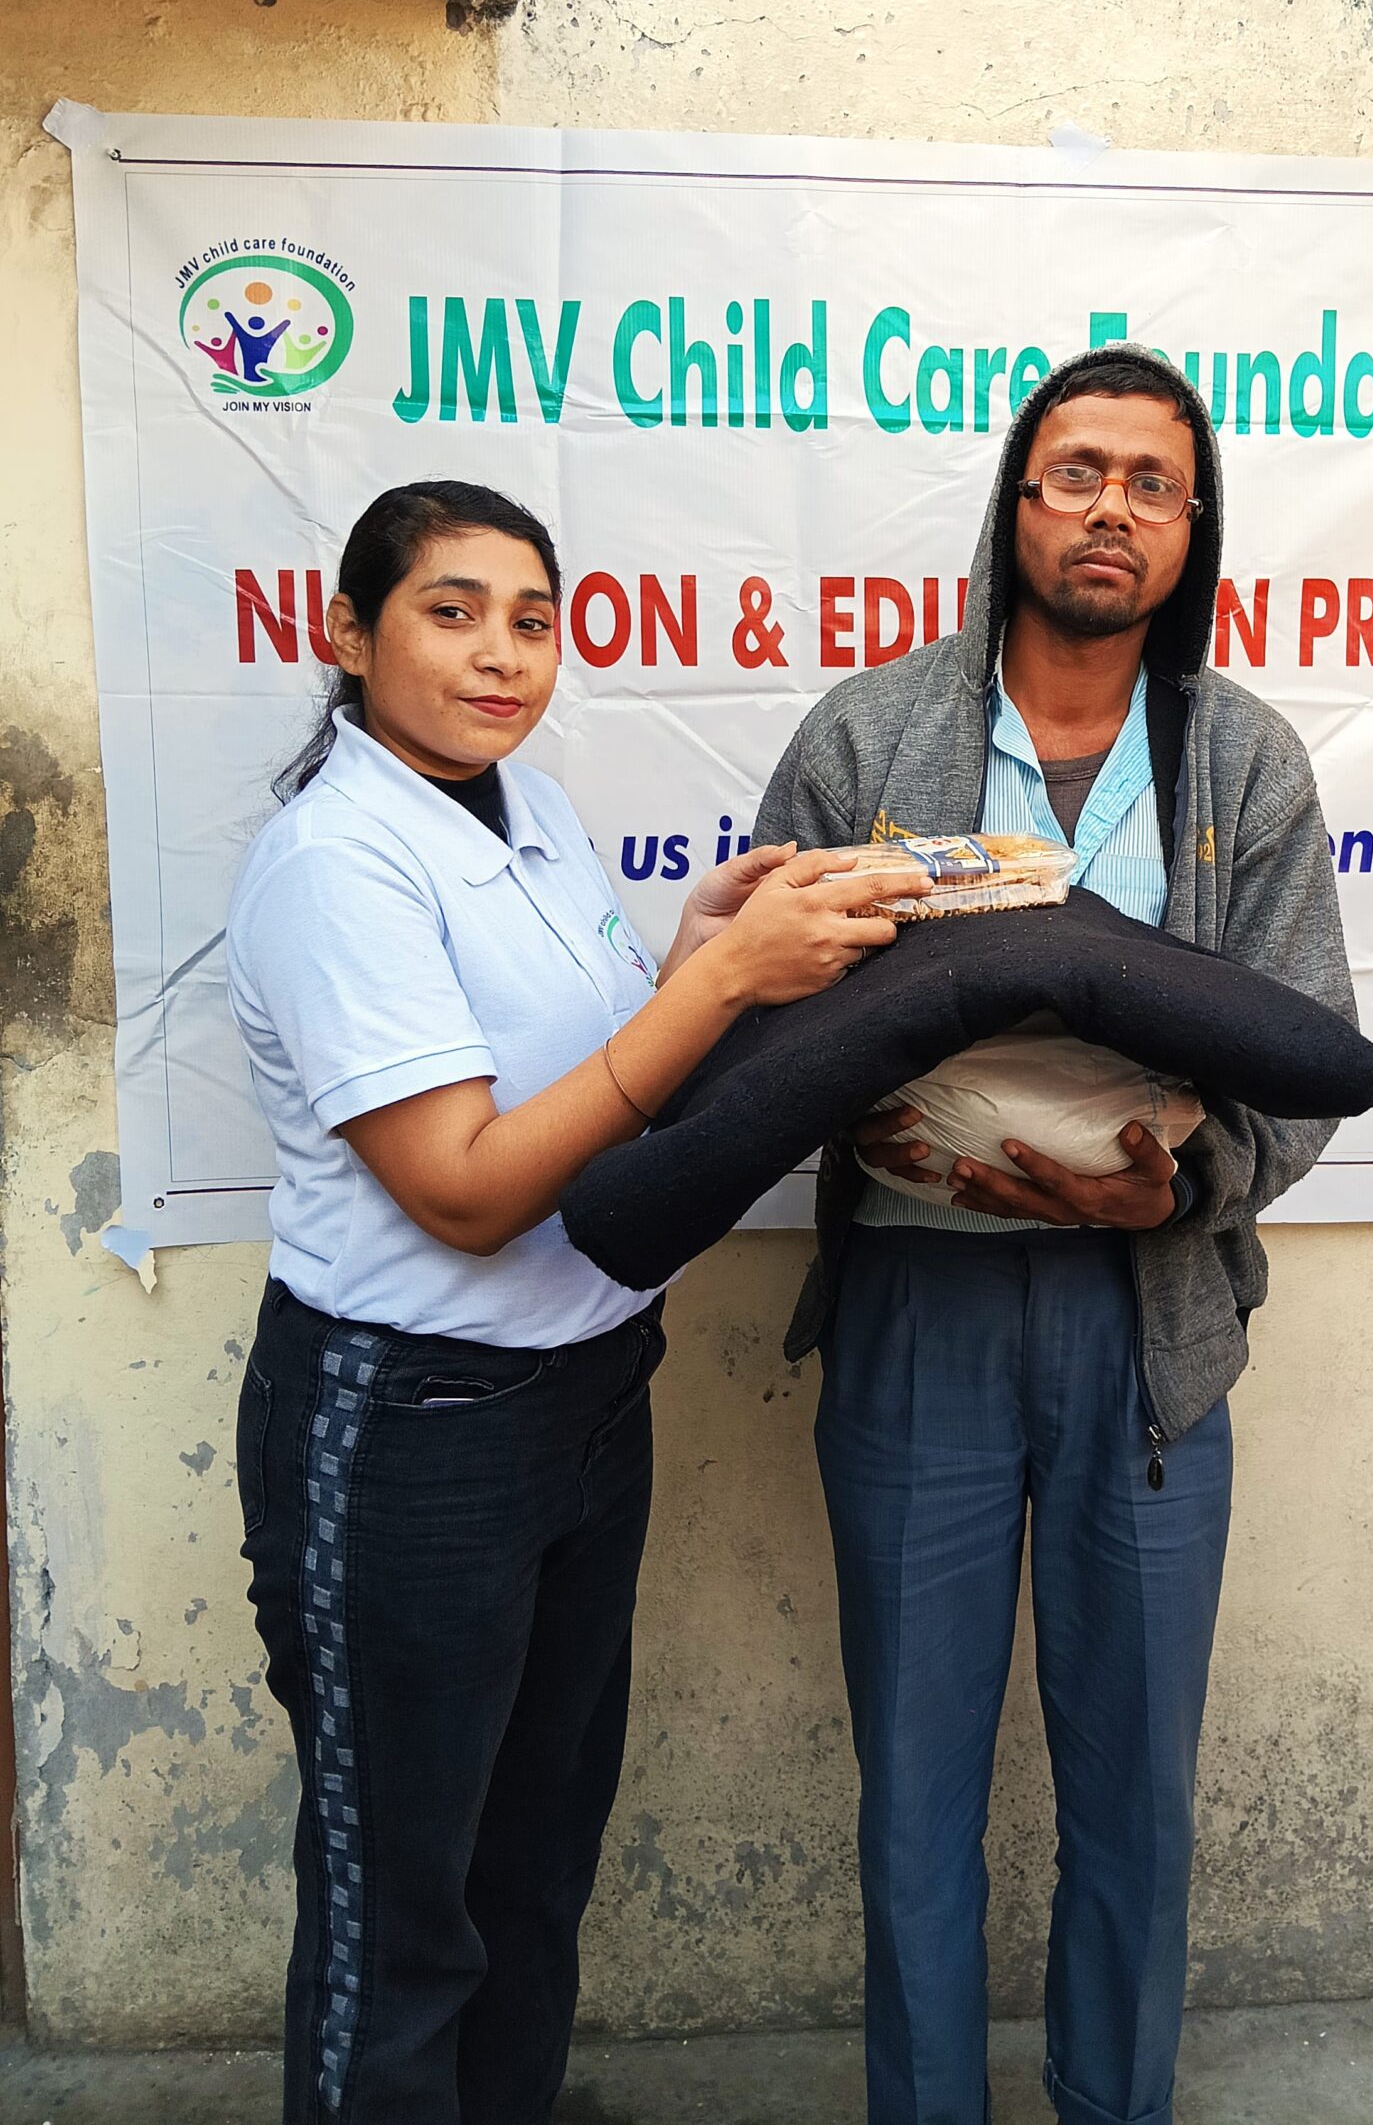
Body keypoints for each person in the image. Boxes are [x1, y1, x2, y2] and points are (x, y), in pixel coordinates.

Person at [227, 478, 914, 2124]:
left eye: (531, 620)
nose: (501, 656)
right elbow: (465, 1185)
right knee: (408, 1924)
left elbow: (589, 1073)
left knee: (532, 1883)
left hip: (584, 1401)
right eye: (450, 612)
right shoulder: (340, 859)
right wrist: (722, 996)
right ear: (348, 632)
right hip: (410, 1434)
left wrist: (691, 959)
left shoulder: (515, 809)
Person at [754, 343, 1356, 2125]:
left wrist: (1180, 1186)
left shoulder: (1240, 760)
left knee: (1133, 1789)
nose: (1110, 510)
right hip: (917, 1320)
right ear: (1017, 504)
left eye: (1150, 484)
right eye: (1076, 472)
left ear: (1192, 530)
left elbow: (1306, 1047)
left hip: (1145, 1326)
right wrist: (837, 1090)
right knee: (917, 1792)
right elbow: (750, 1005)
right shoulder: (869, 736)